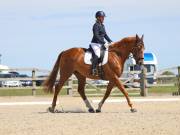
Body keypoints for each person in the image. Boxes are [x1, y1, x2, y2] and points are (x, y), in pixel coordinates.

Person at [90, 11, 113, 75]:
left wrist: (110, 41)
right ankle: (93, 69)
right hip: (95, 44)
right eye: (102, 17)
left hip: (101, 44)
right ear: (98, 18)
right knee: (97, 54)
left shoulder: (102, 25)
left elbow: (105, 35)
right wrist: (104, 42)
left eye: (103, 17)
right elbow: (96, 36)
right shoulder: (95, 25)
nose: (103, 19)